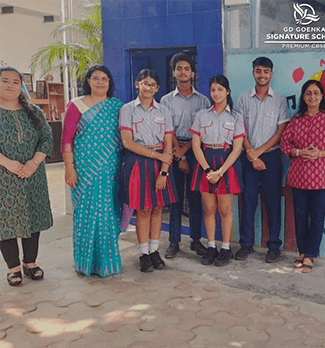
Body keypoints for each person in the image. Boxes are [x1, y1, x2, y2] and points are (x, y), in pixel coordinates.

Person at [61, 65, 123, 277]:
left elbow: (124, 138)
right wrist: (69, 168)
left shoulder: (116, 106)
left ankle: (107, 262)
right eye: (95, 78)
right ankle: (85, 263)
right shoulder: (76, 105)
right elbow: (66, 140)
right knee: (86, 214)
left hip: (110, 170)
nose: (100, 82)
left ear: (109, 82)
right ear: (88, 81)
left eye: (104, 79)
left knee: (107, 213)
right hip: (84, 171)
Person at [119, 69, 178, 273]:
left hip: (160, 163)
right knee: (143, 209)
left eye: (152, 84)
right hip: (139, 162)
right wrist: (158, 157)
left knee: (158, 208)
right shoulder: (127, 110)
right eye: (144, 83)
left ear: (157, 88)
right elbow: (127, 142)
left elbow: (168, 144)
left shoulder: (163, 111)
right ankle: (143, 253)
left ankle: (155, 251)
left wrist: (164, 171)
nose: (148, 87)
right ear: (137, 85)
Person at [0, 66, 53, 286]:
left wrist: (33, 162)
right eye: (5, 81)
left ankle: (30, 262)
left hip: (33, 174)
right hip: (4, 176)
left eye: (15, 81)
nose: (10, 85)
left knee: (33, 217)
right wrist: (8, 163)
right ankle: (13, 267)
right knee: (6, 220)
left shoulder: (34, 111)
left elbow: (47, 138)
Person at [235, 57, 290, 263]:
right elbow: (240, 129)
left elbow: (280, 132)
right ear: (253, 73)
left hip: (271, 159)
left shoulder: (280, 100)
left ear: (271, 74)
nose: (262, 75)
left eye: (266, 71)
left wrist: (259, 152)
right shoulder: (243, 99)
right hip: (247, 157)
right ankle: (246, 244)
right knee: (248, 202)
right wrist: (251, 152)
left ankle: (274, 246)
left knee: (272, 202)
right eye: (258, 71)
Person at [190, 75, 245, 266]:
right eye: (213, 90)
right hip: (205, 161)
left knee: (225, 209)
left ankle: (226, 248)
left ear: (227, 92)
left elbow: (237, 148)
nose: (216, 93)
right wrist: (207, 170)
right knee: (209, 209)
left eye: (220, 89)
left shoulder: (236, 117)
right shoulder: (201, 115)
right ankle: (211, 246)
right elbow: (196, 145)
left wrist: (219, 172)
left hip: (226, 164)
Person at [160, 52, 210, 259]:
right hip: (172, 149)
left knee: (195, 198)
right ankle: (173, 241)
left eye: (186, 68)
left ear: (193, 73)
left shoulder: (203, 101)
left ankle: (196, 240)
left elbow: (203, 130)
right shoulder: (165, 100)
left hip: (195, 151)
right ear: (174, 73)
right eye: (179, 68)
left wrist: (186, 152)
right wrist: (178, 156)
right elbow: (165, 130)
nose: (183, 72)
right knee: (175, 200)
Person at [280, 80, 325, 273]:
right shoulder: (296, 119)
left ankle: (311, 254)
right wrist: (298, 152)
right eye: (308, 93)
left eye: (316, 93)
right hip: (298, 177)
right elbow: (284, 144)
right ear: (303, 97)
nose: (312, 97)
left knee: (316, 218)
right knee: (299, 216)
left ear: (322, 96)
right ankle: (302, 251)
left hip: (320, 178)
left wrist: (319, 154)